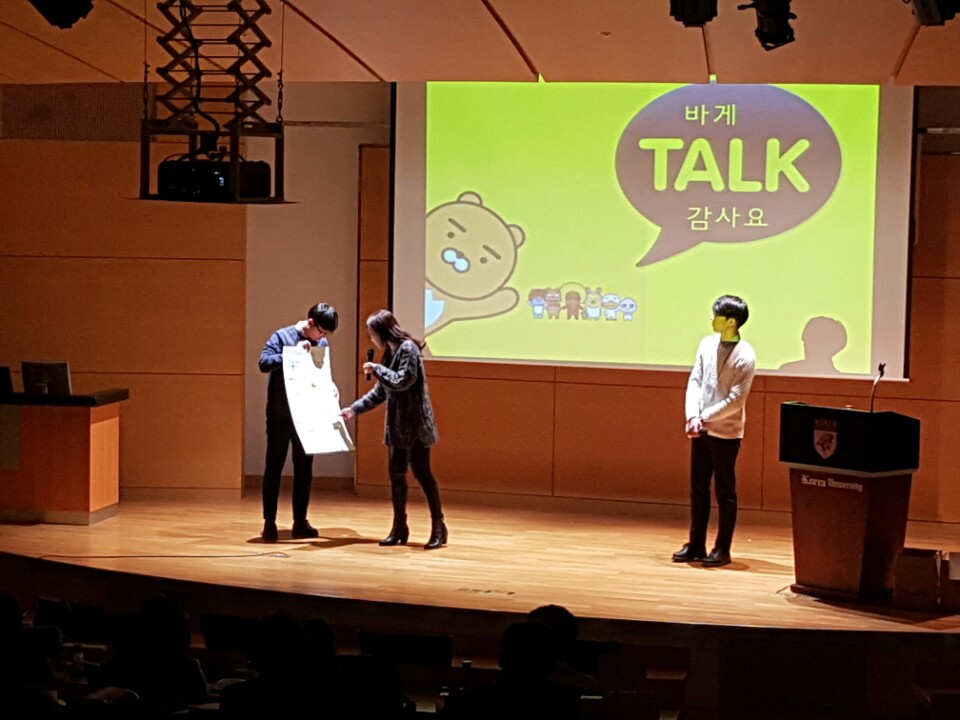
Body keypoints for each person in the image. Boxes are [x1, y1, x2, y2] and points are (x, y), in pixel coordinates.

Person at [340, 309, 447, 550]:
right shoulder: (390, 353)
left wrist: (377, 369)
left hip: (416, 426)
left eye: (371, 333)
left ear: (382, 331)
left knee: (423, 475)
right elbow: (381, 392)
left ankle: (439, 526)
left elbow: (402, 380)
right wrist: (354, 409)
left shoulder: (408, 349)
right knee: (397, 475)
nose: (371, 338)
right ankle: (399, 527)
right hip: (397, 428)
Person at [672, 295, 756, 568]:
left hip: (727, 434)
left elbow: (736, 400)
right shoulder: (706, 344)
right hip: (701, 430)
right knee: (698, 489)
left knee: (725, 492)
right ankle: (696, 544)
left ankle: (722, 549)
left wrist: (703, 418)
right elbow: (695, 381)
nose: (711, 319)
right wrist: (692, 416)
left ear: (731, 321)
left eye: (716, 315)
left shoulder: (745, 355)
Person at [259, 302, 339, 541]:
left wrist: (330, 386)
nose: (322, 337)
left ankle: (300, 521)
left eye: (326, 334)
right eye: (321, 332)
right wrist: (292, 353)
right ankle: (269, 522)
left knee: (304, 468)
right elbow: (263, 363)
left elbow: (319, 373)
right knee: (274, 466)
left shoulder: (321, 343)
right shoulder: (282, 336)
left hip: (307, 413)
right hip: (280, 413)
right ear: (310, 323)